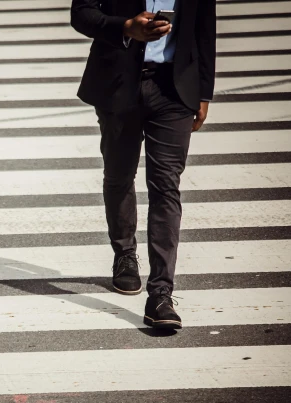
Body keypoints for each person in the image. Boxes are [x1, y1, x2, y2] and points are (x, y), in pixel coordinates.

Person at [71, 0, 217, 329]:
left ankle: (161, 294)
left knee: (166, 187)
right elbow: (81, 13)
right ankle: (124, 252)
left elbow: (205, 28)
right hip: (117, 85)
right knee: (119, 175)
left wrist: (204, 91)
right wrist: (125, 28)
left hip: (175, 90)